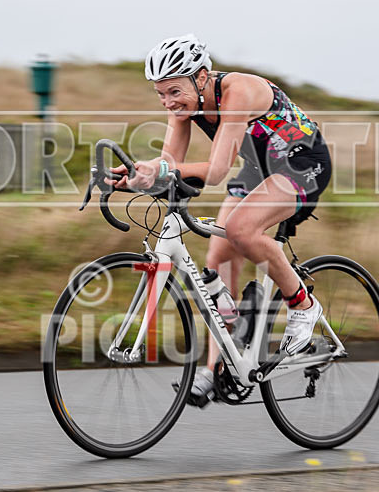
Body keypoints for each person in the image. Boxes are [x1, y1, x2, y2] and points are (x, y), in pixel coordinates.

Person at [109, 34, 332, 406]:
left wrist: (158, 169)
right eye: (160, 94)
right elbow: (170, 164)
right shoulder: (183, 105)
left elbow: (215, 171)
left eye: (174, 91)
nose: (169, 102)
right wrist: (137, 177)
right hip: (258, 170)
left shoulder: (238, 92)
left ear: (201, 77)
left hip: (302, 164)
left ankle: (303, 306)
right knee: (217, 262)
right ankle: (216, 369)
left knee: (241, 229)